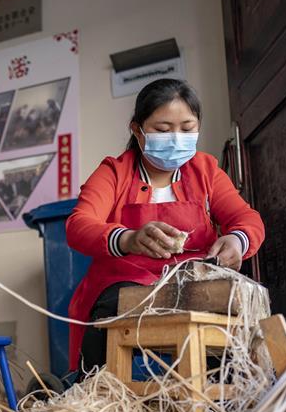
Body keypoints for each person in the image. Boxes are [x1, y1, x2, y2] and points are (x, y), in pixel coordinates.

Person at [66, 78, 265, 374]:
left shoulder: (206, 171)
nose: (176, 138)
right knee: (109, 310)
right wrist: (127, 239)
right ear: (138, 130)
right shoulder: (114, 172)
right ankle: (94, 393)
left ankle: (226, 391)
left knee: (236, 308)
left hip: (195, 282)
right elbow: (78, 225)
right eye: (162, 129)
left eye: (186, 129)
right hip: (127, 284)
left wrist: (237, 241)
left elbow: (247, 219)